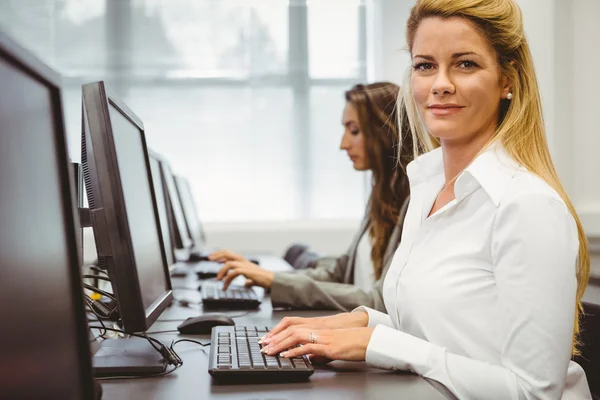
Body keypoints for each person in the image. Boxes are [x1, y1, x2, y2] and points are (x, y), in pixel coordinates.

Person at [255, 0, 592, 398]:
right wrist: (360, 322)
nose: (440, 83)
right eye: (425, 65)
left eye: (465, 64)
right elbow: (441, 334)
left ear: (507, 80)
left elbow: (534, 392)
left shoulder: (527, 206)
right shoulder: (428, 187)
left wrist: (376, 344)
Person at [210, 82, 413, 312]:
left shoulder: (414, 203)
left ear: (385, 131)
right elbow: (339, 274)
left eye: (354, 130)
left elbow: (378, 302)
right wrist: (268, 277)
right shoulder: (380, 196)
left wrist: (274, 281)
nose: (343, 144)